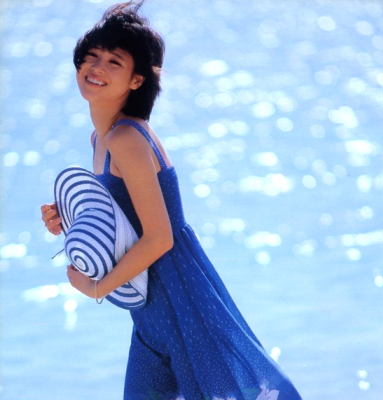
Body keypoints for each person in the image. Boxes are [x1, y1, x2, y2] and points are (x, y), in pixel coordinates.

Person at [41, 2, 302, 399]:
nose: (97, 67)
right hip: (152, 306)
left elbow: (160, 237)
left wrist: (97, 289)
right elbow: (125, 220)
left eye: (114, 61)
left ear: (136, 80)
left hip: (180, 300)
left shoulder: (126, 139)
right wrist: (69, 218)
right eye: (92, 56)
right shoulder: (102, 139)